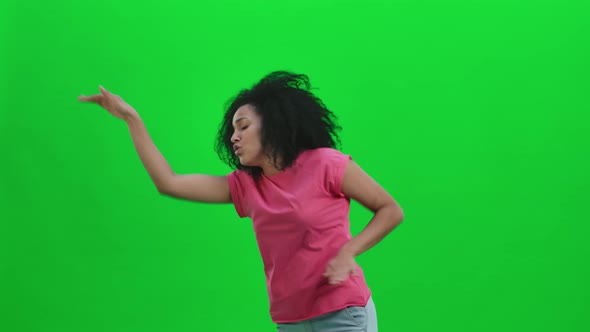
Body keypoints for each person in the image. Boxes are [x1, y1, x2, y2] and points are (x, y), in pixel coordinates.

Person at [78, 71, 404, 332]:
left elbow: (390, 210)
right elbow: (169, 182)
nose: (234, 136)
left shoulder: (326, 164)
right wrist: (131, 119)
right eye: (232, 130)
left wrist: (348, 252)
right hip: (289, 321)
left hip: (342, 313)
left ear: (274, 124)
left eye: (243, 126)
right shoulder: (247, 186)